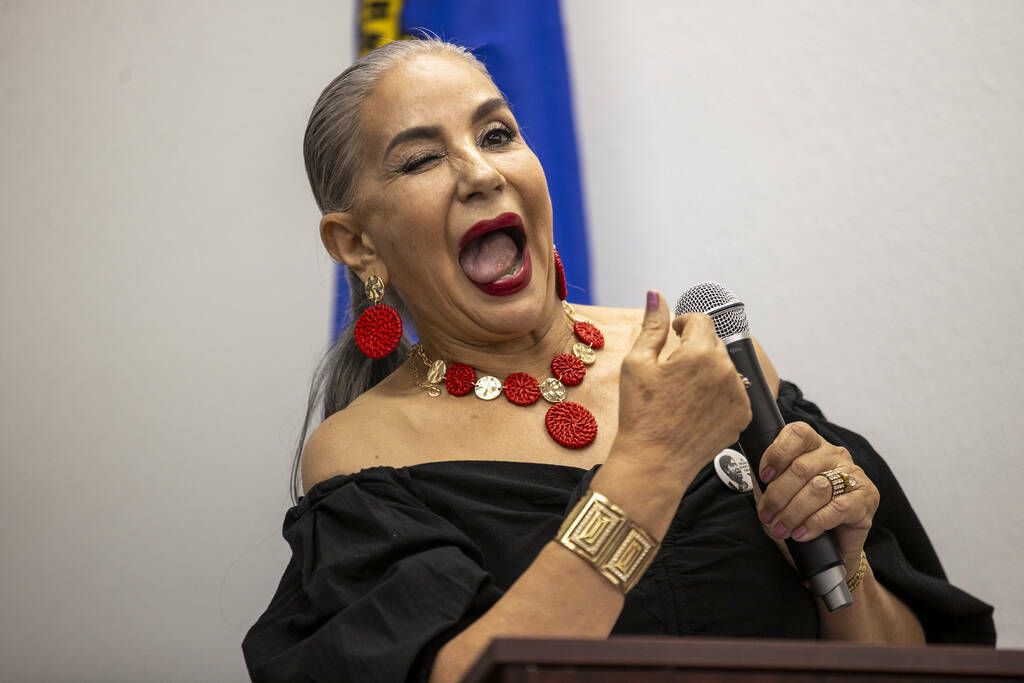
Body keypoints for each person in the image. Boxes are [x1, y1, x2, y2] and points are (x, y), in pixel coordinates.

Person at [242, 38, 994, 682]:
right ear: (356, 243)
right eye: (421, 160)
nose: (480, 173)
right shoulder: (359, 457)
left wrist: (848, 563)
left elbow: (903, 664)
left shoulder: (707, 364)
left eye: (497, 134)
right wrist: (651, 464)